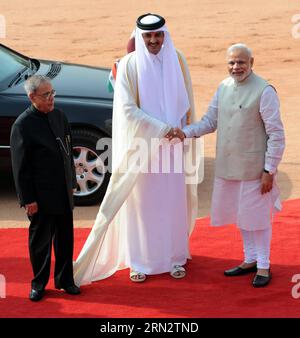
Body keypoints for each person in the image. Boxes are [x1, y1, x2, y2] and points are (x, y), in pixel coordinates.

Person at [73, 13, 199, 285]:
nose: (154, 40)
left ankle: (174, 257)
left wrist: (181, 133)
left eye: (158, 35)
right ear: (140, 37)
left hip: (172, 150)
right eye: (148, 36)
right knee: (142, 206)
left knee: (171, 204)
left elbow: (187, 103)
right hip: (141, 149)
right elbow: (128, 111)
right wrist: (161, 128)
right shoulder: (129, 65)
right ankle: (139, 262)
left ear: (164, 34)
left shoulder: (178, 59)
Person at [174, 43, 285, 287]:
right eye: (232, 62)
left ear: (251, 63)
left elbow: (276, 134)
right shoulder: (223, 87)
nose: (236, 67)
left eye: (241, 62)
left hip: (255, 170)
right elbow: (209, 121)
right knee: (241, 216)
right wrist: (185, 133)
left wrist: (270, 170)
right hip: (228, 166)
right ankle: (250, 259)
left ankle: (264, 266)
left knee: (257, 218)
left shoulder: (264, 90)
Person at [10, 75, 81, 301]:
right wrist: (27, 199)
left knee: (65, 239)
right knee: (40, 243)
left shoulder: (60, 117)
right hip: (40, 197)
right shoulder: (22, 125)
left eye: (53, 93)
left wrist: (71, 183)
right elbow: (20, 167)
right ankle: (39, 284)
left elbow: (68, 153)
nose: (52, 98)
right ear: (32, 97)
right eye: (46, 95)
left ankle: (65, 280)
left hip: (62, 192)